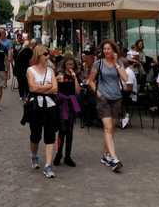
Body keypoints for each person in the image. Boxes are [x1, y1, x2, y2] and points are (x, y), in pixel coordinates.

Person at [87, 39, 128, 172]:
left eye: (108, 49)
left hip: (117, 98)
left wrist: (116, 63)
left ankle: (105, 155)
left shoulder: (119, 63)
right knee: (108, 127)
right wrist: (98, 93)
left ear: (114, 50)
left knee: (111, 130)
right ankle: (114, 157)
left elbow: (125, 78)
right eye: (104, 49)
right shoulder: (98, 64)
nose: (106, 51)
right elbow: (90, 81)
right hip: (103, 99)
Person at [25, 44, 59, 179]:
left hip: (50, 105)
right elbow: (32, 88)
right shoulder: (30, 70)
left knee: (50, 135)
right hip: (35, 106)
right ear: (38, 55)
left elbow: (55, 89)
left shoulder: (51, 71)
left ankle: (48, 165)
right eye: (45, 54)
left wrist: (42, 87)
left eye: (48, 54)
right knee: (35, 135)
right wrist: (47, 86)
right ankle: (34, 155)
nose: (48, 56)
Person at [54, 55, 80, 167]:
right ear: (64, 65)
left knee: (70, 131)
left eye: (72, 64)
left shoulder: (75, 76)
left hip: (71, 105)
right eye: (68, 64)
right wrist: (57, 79)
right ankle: (58, 154)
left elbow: (77, 91)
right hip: (62, 104)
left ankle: (68, 156)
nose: (70, 66)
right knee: (62, 130)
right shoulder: (60, 75)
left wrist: (74, 78)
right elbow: (54, 88)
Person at [120, 58, 138, 129]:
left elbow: (129, 88)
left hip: (129, 96)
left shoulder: (128, 72)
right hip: (124, 94)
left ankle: (124, 118)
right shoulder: (123, 71)